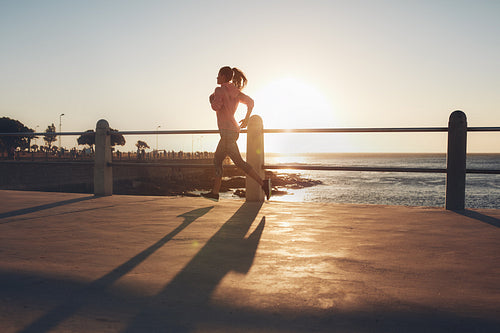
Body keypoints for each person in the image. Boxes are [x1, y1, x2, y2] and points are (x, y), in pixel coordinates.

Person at [202, 66, 271, 201]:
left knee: (236, 162)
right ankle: (215, 193)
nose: (216, 77)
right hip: (232, 131)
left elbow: (216, 106)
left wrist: (212, 99)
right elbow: (250, 103)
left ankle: (263, 183)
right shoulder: (235, 91)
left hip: (227, 133)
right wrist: (246, 118)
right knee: (219, 160)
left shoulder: (219, 90)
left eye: (218, 75)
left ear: (223, 76)